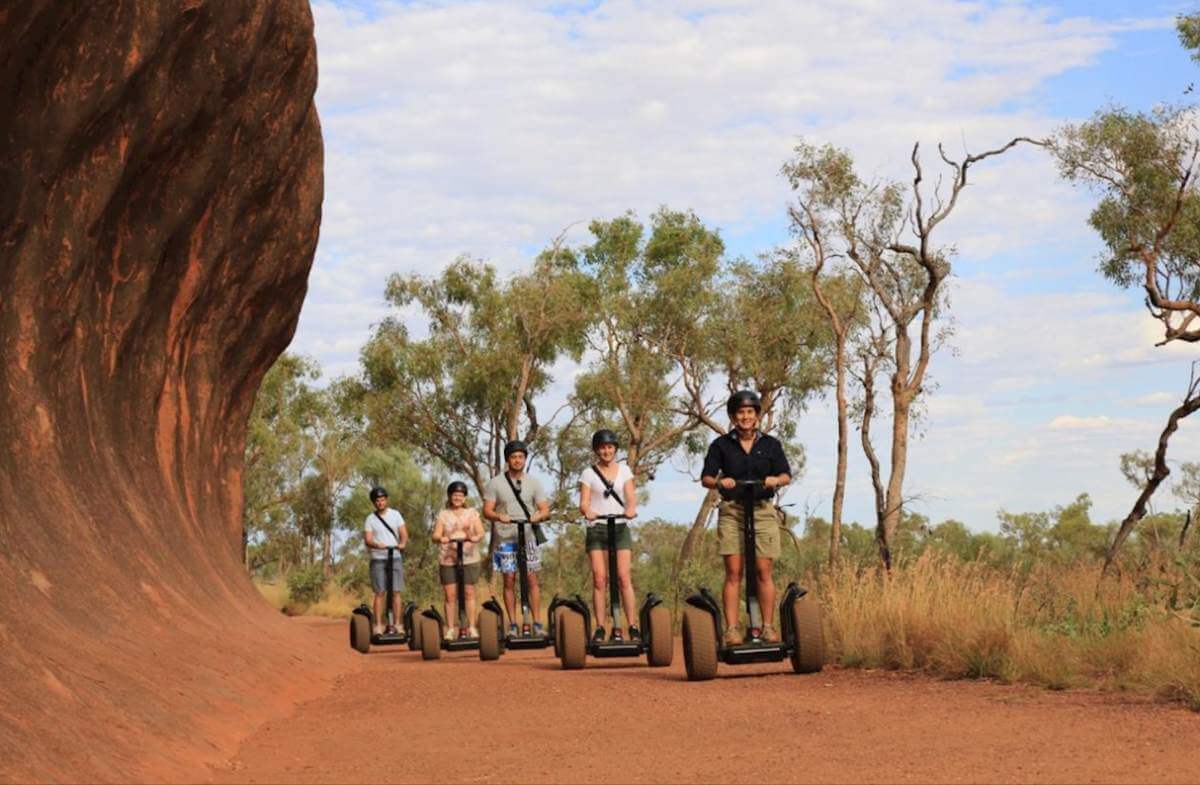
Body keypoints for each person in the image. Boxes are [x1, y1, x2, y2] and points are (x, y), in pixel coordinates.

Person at [700, 390, 791, 646]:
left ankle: (768, 627)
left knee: (763, 571)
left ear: (757, 415)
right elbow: (706, 478)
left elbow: (786, 475)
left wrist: (776, 479)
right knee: (734, 572)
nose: (745, 417)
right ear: (733, 416)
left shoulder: (770, 444)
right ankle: (731, 630)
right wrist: (720, 481)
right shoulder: (721, 445)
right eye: (740, 412)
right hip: (733, 511)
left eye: (750, 412)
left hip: (762, 510)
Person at [482, 440, 550, 636]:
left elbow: (544, 508)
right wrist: (498, 516)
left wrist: (539, 515)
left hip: (528, 536)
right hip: (506, 538)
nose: (517, 460)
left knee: (531, 579)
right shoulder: (496, 483)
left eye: (520, 457)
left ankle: (536, 622)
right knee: (509, 579)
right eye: (513, 457)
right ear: (508, 459)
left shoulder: (533, 482)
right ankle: (512, 624)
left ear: (525, 459)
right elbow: (487, 510)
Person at [578, 428, 639, 643]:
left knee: (623, 577)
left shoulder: (625, 471)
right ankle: (601, 627)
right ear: (597, 450)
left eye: (610, 447)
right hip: (597, 528)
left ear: (615, 449)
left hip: (620, 527)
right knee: (599, 578)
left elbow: (631, 496)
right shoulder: (588, 473)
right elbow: (584, 502)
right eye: (602, 447)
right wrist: (588, 511)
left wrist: (630, 509)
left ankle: (632, 626)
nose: (606, 451)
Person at [431, 480, 485, 640]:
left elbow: (481, 532)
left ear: (465, 497)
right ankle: (450, 629)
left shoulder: (472, 513)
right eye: (455, 495)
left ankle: (472, 627)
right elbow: (435, 535)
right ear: (449, 496)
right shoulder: (443, 514)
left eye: (461, 495)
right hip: (448, 559)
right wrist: (442, 538)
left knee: (469, 592)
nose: (457, 498)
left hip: (469, 559)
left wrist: (475, 537)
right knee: (450, 595)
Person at [363, 486, 409, 636]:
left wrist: (402, 544)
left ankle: (397, 624)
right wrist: (376, 545)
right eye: (378, 501)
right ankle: (378, 625)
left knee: (396, 591)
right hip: (378, 558)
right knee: (380, 592)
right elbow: (368, 539)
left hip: (394, 557)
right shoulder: (370, 519)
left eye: (383, 500)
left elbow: (404, 534)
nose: (380, 503)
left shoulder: (395, 515)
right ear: (374, 503)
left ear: (386, 500)